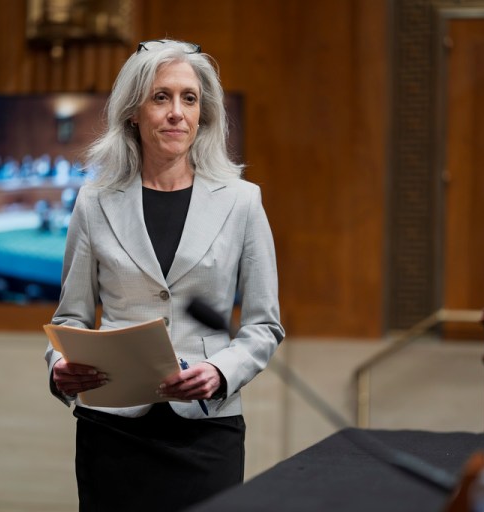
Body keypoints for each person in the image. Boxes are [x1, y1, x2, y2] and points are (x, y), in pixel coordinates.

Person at [45, 39, 284, 511]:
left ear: (202, 114)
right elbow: (70, 318)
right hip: (111, 428)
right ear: (134, 112)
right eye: (161, 97)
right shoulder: (94, 202)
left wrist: (220, 371)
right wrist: (59, 367)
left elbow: (264, 325)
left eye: (188, 98)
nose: (177, 112)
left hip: (206, 430)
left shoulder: (242, 202)